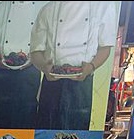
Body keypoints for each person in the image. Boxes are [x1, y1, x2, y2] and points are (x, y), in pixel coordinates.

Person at [29, 1, 118, 130]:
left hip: (81, 84)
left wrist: (91, 67)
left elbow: (105, 48)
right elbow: (35, 51)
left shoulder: (103, 6)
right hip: (52, 83)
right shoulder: (48, 9)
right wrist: (44, 67)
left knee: (77, 135)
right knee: (46, 132)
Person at [0, 1, 48, 129]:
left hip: (29, 74)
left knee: (26, 121)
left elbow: (49, 47)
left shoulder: (43, 10)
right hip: (1, 76)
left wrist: (34, 59)